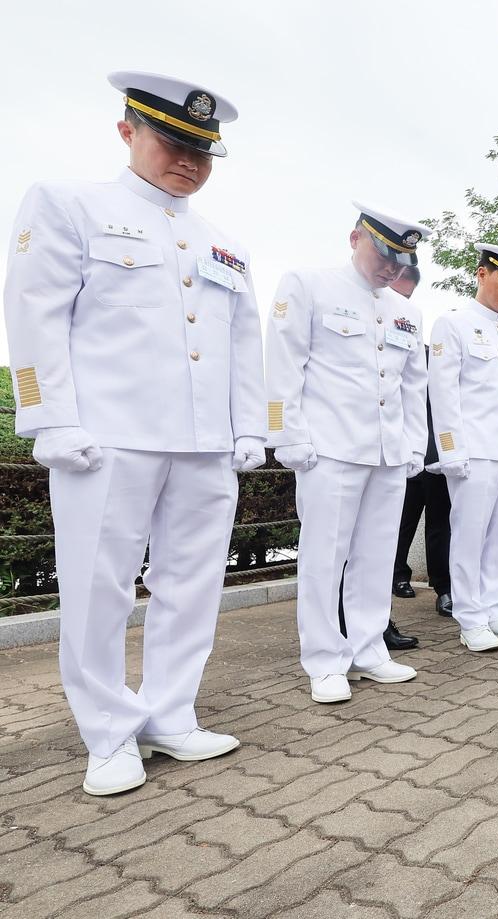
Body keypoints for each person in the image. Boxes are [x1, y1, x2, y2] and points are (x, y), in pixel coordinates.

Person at [3, 73, 264, 795]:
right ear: (128, 131)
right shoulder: (70, 205)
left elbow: (246, 343)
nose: (190, 161)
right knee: (98, 585)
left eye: (203, 150)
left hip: (204, 442)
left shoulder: (226, 246)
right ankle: (109, 731)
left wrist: (249, 428)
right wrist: (47, 417)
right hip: (108, 436)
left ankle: (170, 712)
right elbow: (34, 312)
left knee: (192, 585)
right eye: (174, 142)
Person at [265, 202, 428, 704]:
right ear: (356, 238)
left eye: (400, 263)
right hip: (329, 449)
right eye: (384, 255)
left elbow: (411, 386)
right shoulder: (308, 284)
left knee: (376, 556)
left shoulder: (405, 311)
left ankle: (368, 647)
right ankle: (323, 659)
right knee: (323, 557)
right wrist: (284, 434)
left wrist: (415, 445)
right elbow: (282, 363)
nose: (390, 269)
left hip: (386, 452)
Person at [428, 244, 498, 652]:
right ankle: (470, 617)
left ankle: (495, 607)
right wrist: (451, 450)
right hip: (475, 450)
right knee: (470, 535)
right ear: (481, 274)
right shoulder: (452, 324)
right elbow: (442, 393)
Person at [381, 265, 445, 649]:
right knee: (399, 524)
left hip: (428, 453)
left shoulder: (423, 349)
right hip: (385, 449)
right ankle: (398, 575)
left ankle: (440, 588)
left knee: (434, 524)